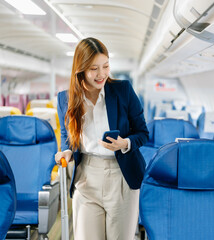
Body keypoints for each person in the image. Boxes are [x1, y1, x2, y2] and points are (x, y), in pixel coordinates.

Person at [54, 37, 149, 240]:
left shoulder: (123, 90)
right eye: (94, 68)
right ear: (80, 69)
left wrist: (125, 143)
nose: (102, 74)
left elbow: (143, 133)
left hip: (121, 175)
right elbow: (66, 135)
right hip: (87, 176)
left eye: (105, 66)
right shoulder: (65, 99)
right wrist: (67, 151)